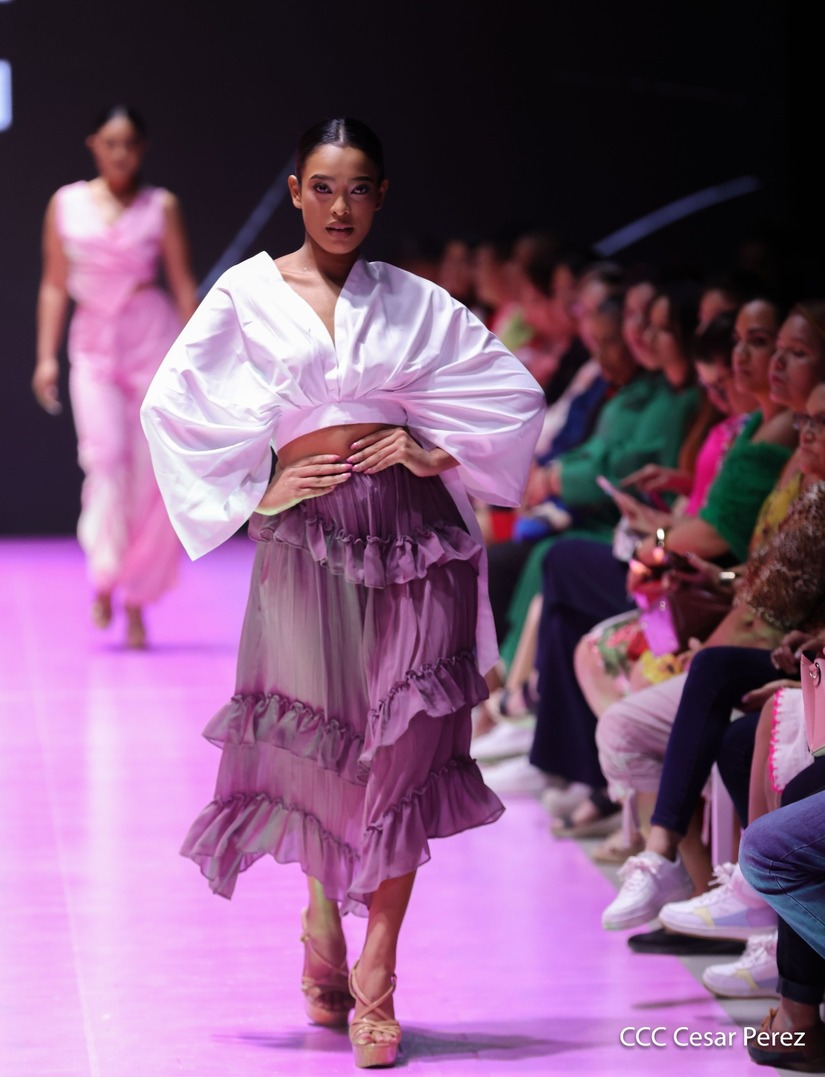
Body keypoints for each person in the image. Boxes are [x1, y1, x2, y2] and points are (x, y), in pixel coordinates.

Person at [140, 118, 544, 1069]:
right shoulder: (246, 294)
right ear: (295, 191)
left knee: (406, 748)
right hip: (307, 544)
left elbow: (513, 396)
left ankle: (378, 976)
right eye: (322, 188)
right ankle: (321, 911)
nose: (339, 207)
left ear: (381, 195)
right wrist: (259, 488)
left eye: (358, 188)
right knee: (324, 743)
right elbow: (171, 405)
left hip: (418, 538)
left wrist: (434, 447)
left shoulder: (410, 299)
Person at [32, 105, 198, 648]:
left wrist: (202, 356)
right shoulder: (67, 203)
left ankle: (137, 598)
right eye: (111, 142)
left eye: (130, 143)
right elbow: (54, 282)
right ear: (94, 145)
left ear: (142, 148)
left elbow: (182, 283)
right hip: (93, 344)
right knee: (104, 459)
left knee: (152, 472)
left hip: (151, 337)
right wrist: (46, 357)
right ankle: (105, 575)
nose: (120, 153)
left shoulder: (160, 206)